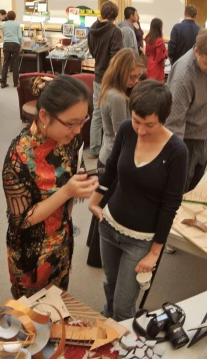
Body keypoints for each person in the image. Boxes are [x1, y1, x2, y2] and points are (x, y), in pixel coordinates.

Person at [89, 80, 187, 320]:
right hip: (109, 226)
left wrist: (155, 252)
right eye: (137, 121)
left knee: (124, 306)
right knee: (110, 286)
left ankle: (122, 342)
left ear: (163, 118)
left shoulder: (177, 152)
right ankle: (108, 326)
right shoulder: (125, 129)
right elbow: (111, 171)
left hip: (140, 241)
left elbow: (170, 205)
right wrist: (95, 202)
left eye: (149, 125)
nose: (141, 130)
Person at [2, 76, 99, 298]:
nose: (78, 130)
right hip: (31, 252)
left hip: (62, 238)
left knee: (57, 301)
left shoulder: (70, 139)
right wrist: (67, 191)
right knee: (31, 313)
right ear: (44, 116)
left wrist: (84, 181)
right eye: (72, 123)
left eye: (83, 121)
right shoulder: (19, 156)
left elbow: (75, 169)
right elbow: (23, 219)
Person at [86, 49, 144, 267]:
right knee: (108, 211)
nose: (136, 80)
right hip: (114, 157)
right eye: (133, 77)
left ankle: (94, 248)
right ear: (121, 72)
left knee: (100, 204)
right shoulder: (119, 98)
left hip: (106, 154)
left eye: (138, 76)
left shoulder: (109, 89)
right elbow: (123, 135)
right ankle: (98, 257)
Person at [165, 29, 207, 192]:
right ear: (196, 52)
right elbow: (173, 124)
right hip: (187, 141)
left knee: (196, 184)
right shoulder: (184, 77)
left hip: (205, 136)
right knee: (181, 188)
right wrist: (176, 160)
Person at [87, 1, 123, 159]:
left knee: (97, 113)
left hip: (97, 75)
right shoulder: (115, 31)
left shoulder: (92, 30)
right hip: (110, 78)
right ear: (115, 15)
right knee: (111, 116)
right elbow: (117, 56)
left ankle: (94, 150)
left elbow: (92, 51)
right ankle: (109, 152)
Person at [0, 11, 22, 88]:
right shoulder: (17, 24)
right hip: (15, 43)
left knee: (5, 63)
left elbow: (4, 34)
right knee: (15, 64)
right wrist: (20, 45)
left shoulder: (3, 25)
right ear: (15, 17)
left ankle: (3, 83)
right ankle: (16, 83)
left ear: (7, 17)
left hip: (6, 44)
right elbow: (20, 37)